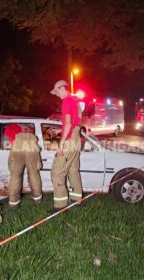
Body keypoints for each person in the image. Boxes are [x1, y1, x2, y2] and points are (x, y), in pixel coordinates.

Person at [50, 80, 83, 211]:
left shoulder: (66, 102)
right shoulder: (75, 100)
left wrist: (61, 143)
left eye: (57, 91)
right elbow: (77, 123)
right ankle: (77, 201)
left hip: (69, 142)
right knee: (73, 170)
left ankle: (60, 206)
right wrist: (60, 130)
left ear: (62, 88)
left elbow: (68, 124)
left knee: (57, 173)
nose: (57, 94)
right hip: (76, 140)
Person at [4, 123, 42, 208]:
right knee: (34, 175)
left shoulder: (9, 127)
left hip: (17, 147)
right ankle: (37, 201)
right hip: (31, 146)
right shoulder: (28, 128)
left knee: (15, 176)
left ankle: (14, 204)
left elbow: (6, 144)